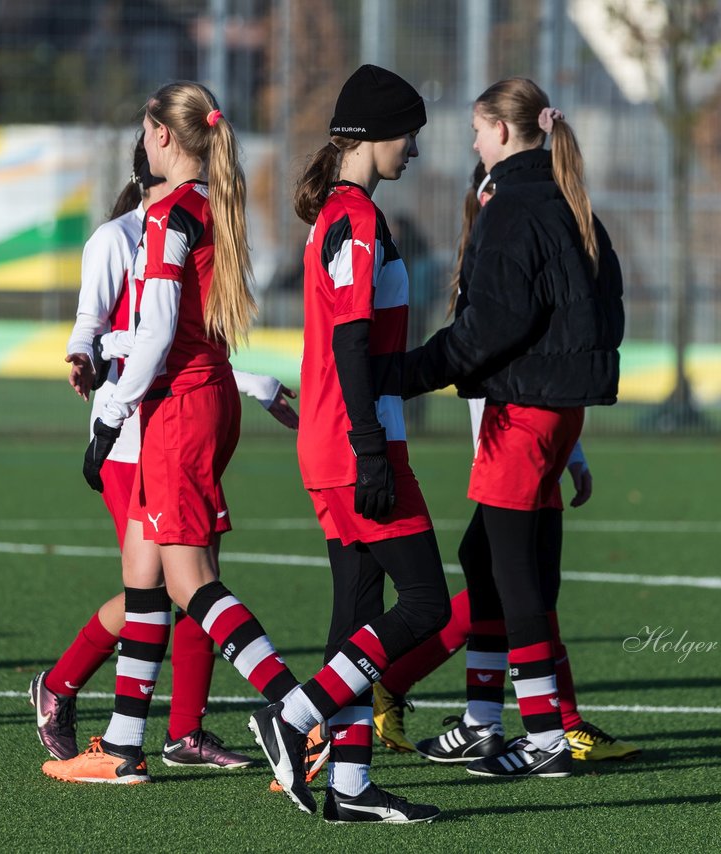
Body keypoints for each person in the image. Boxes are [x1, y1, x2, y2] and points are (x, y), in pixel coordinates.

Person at [42, 82, 439, 820]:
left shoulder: (166, 216)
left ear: (162, 136)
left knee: (189, 583)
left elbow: (160, 335)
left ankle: (293, 711)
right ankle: (127, 740)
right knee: (149, 575)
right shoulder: (212, 208)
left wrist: (110, 415)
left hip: (177, 410)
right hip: (205, 399)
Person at [378, 78, 624, 779]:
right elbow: (601, 310)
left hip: (524, 409)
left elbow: (489, 327)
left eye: (479, 131)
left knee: (515, 573)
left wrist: (402, 371)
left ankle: (544, 734)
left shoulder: (513, 206)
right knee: (486, 556)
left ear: (504, 131)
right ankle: (484, 720)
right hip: (549, 406)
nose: (474, 143)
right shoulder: (566, 200)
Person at [30, 133, 299, 771]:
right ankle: (103, 717)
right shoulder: (127, 233)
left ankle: (165, 735)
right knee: (162, 583)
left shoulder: (180, 219)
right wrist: (89, 365)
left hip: (167, 417)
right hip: (143, 423)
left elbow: (169, 343)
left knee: (174, 582)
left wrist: (244, 383)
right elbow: (97, 330)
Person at [288, 64, 452, 823]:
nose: (413, 148)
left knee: (357, 616)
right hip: (357, 446)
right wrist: (371, 448)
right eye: (408, 133)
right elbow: (353, 344)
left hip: (340, 444)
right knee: (424, 603)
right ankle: (293, 718)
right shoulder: (354, 217)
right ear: (374, 134)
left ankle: (348, 787)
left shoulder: (343, 213)